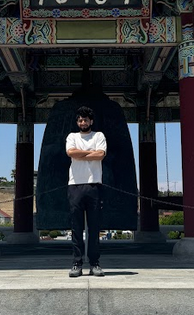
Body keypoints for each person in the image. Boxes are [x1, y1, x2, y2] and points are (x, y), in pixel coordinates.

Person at [65, 106, 107, 277]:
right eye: (80, 120)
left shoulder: (99, 135)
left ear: (91, 121)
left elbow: (101, 155)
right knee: (76, 227)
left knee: (94, 227)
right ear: (77, 122)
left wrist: (80, 154)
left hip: (94, 185)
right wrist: (91, 152)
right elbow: (70, 152)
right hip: (75, 185)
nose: (83, 122)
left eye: (86, 120)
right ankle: (77, 263)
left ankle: (95, 263)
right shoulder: (72, 136)